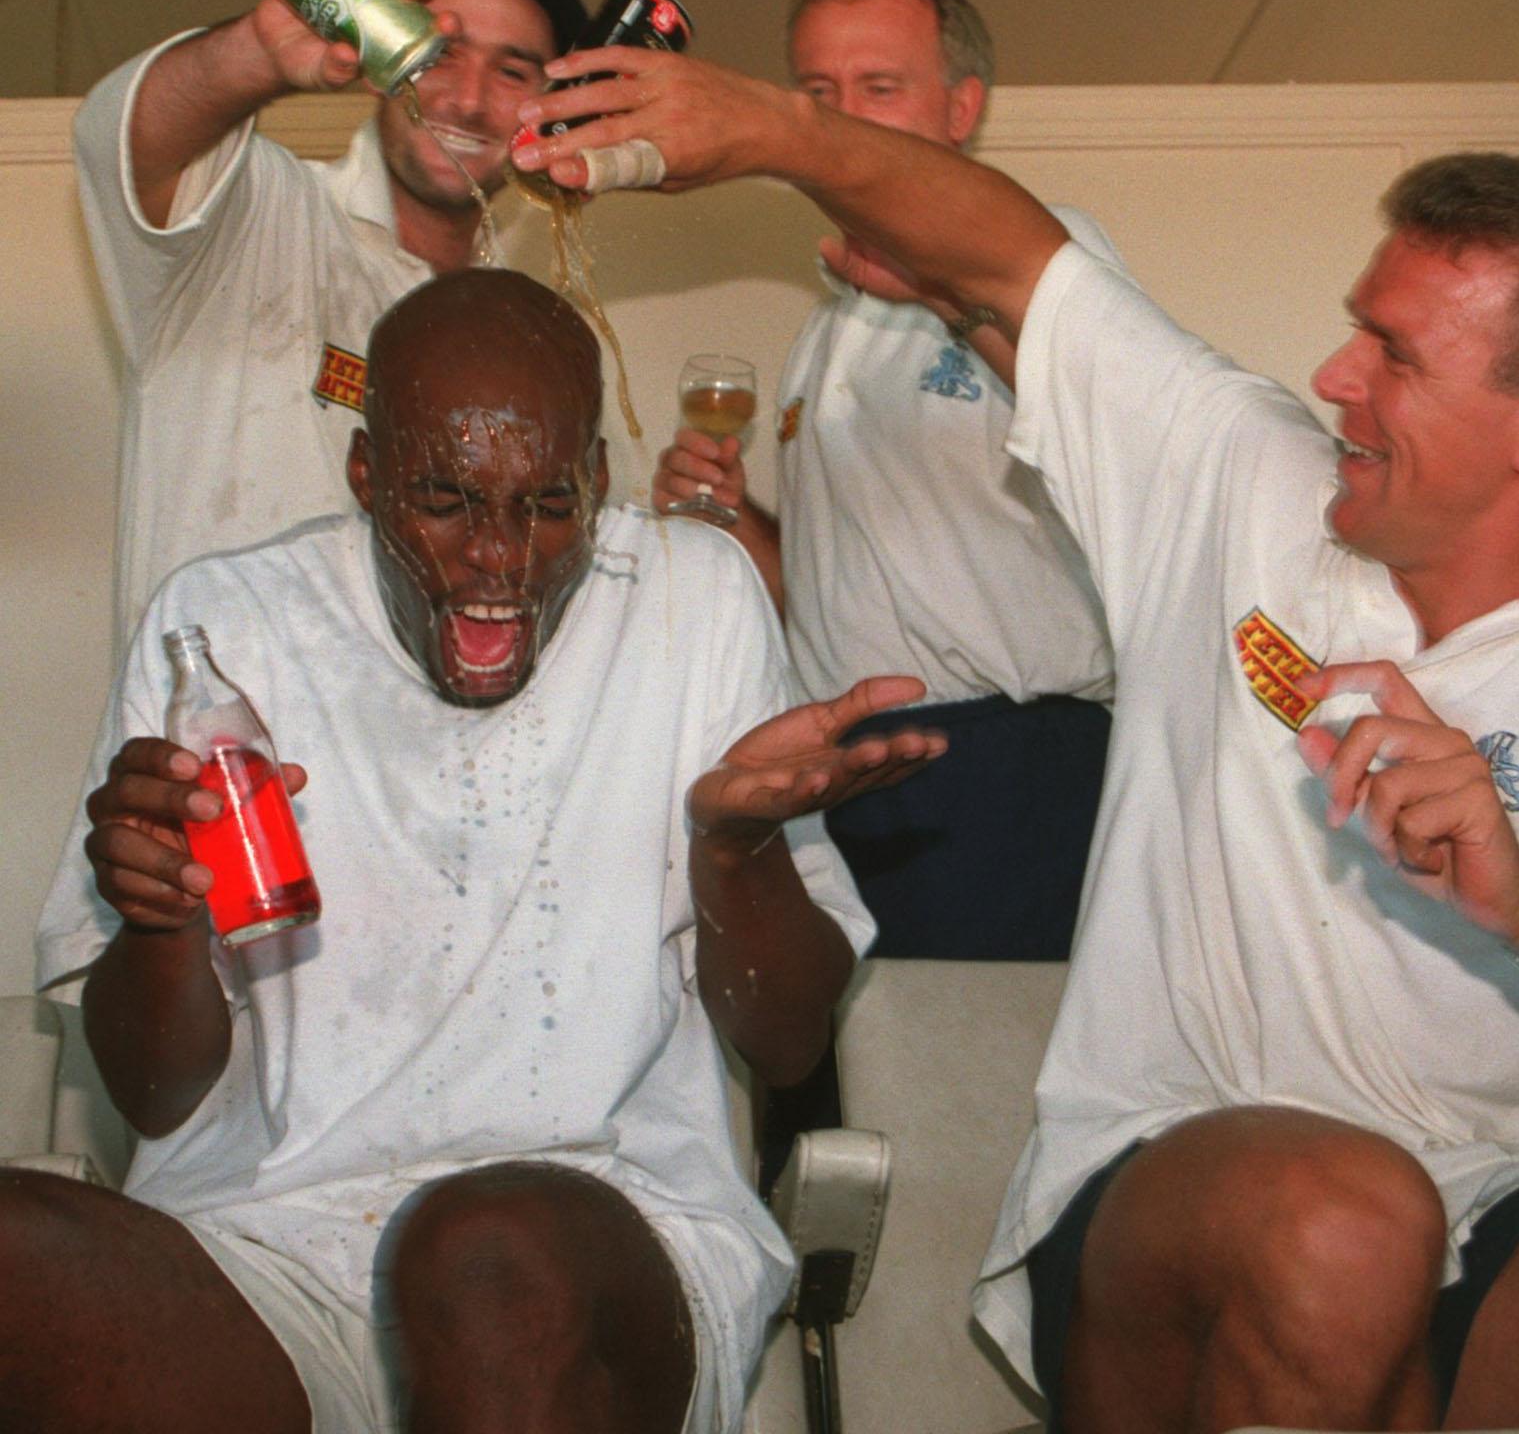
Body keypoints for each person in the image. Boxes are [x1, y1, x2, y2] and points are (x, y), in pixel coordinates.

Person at [515, 66, 1519, 1430]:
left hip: (1514, 1220)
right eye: (1357, 325)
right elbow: (1018, 262)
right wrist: (776, 130)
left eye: (1395, 355)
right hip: (1178, 1203)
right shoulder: (1243, 477)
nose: (1336, 374)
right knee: (1348, 1218)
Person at [5, 269, 943, 1433]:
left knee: (485, 1252)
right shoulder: (226, 628)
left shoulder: (690, 601)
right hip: (268, 1251)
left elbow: (787, 1036)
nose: (500, 558)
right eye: (445, 502)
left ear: (600, 482)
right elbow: (152, 1097)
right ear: (364, 475)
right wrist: (160, 916)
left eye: (549, 506)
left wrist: (736, 847)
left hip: (598, 1232)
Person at [650, 0, 1118, 961]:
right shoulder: (830, 327)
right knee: (861, 1088)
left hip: (1006, 760)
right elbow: (831, 592)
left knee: (982, 1081)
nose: (841, 120)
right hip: (847, 763)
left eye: (878, 88)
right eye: (816, 94)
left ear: (962, 106)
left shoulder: (1042, 258)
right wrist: (732, 518)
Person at [75, 0, 587, 639]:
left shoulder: (526, 328)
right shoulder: (258, 217)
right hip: (207, 743)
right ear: (383, 57)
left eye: (512, 71)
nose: (469, 101)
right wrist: (252, 56)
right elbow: (122, 141)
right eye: (441, 54)